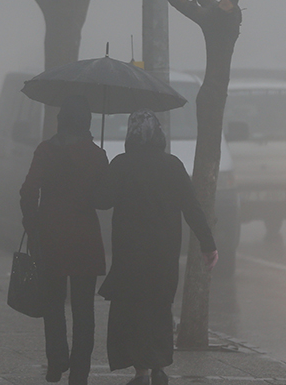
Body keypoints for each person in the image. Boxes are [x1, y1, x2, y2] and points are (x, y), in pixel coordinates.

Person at [96, 109, 218, 385]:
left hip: (129, 254)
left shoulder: (121, 164)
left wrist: (104, 171)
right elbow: (192, 208)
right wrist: (208, 244)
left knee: (132, 309)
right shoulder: (172, 165)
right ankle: (159, 366)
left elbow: (101, 200)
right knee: (160, 306)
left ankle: (141, 372)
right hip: (163, 254)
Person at [19, 94, 108, 385]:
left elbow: (28, 191)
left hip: (51, 238)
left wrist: (33, 227)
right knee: (84, 310)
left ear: (61, 121)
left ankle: (56, 360)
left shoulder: (45, 151)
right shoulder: (95, 154)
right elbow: (104, 201)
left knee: (53, 304)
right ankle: (79, 374)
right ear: (87, 122)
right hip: (84, 238)